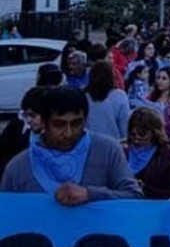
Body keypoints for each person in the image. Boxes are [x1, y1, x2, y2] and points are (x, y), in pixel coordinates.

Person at [0, 86, 142, 202]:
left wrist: (90, 195)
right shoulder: (18, 168)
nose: (68, 133)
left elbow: (134, 197)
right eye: (58, 124)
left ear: (85, 120)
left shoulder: (108, 150)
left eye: (76, 123)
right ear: (44, 122)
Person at [126, 107, 170, 199]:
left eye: (142, 134)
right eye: (133, 134)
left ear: (154, 132)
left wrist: (145, 189)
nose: (137, 138)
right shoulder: (120, 153)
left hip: (158, 210)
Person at [0, 87, 48, 178]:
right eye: (26, 115)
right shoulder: (17, 129)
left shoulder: (57, 139)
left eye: (33, 116)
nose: (29, 120)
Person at [85, 60, 130, 141]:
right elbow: (125, 128)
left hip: (89, 144)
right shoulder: (120, 96)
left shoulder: (84, 97)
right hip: (114, 145)